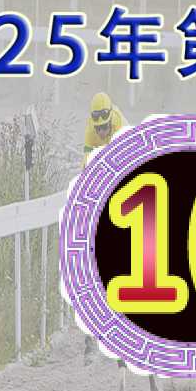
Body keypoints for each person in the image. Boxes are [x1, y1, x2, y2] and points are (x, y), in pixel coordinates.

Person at [82, 91, 127, 364]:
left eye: (104, 127)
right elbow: (87, 167)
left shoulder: (119, 126)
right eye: (98, 128)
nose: (101, 131)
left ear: (110, 119)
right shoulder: (91, 131)